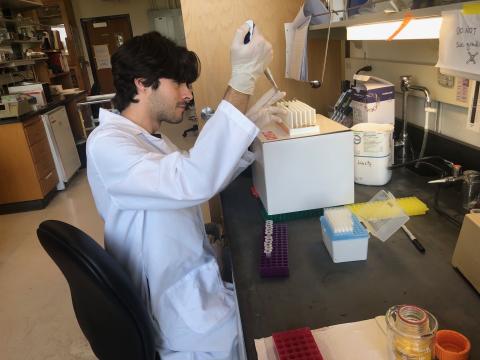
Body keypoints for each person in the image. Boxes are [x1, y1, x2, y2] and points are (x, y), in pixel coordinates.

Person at [87, 23, 279, 359]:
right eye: (180, 82)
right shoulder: (108, 144)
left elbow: (192, 176)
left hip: (195, 289)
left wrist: (244, 140)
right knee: (265, 337)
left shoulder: (150, 138)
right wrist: (242, 79)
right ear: (143, 84)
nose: (188, 94)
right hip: (179, 320)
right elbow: (192, 180)